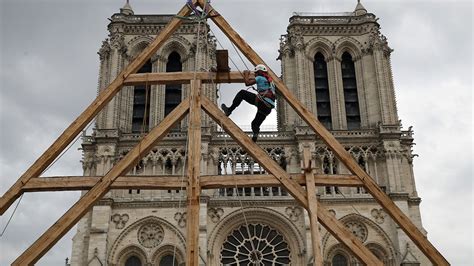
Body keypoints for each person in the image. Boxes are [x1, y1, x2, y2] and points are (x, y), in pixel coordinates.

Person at [221, 64, 276, 142]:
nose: (255, 74)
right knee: (255, 124)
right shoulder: (271, 82)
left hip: (262, 102)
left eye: (256, 73)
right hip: (268, 108)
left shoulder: (260, 77)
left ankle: (229, 110)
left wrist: (246, 74)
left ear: (259, 72)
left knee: (242, 93)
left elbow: (247, 83)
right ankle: (255, 137)